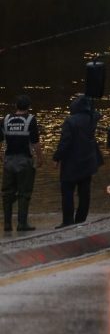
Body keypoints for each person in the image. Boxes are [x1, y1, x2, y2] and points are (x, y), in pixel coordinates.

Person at [53, 96, 101, 229]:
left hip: (71, 163)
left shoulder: (70, 121)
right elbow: (97, 112)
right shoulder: (92, 118)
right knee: (84, 194)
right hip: (88, 162)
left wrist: (56, 158)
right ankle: (80, 220)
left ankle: (68, 221)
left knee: (67, 193)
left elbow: (65, 142)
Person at [1, 95, 42, 232]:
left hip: (8, 161)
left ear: (16, 106)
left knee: (7, 193)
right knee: (24, 193)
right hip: (24, 161)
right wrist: (40, 158)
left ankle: (7, 224)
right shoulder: (30, 120)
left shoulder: (6, 119)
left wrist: (1, 156)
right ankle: (22, 224)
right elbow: (35, 142)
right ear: (29, 107)